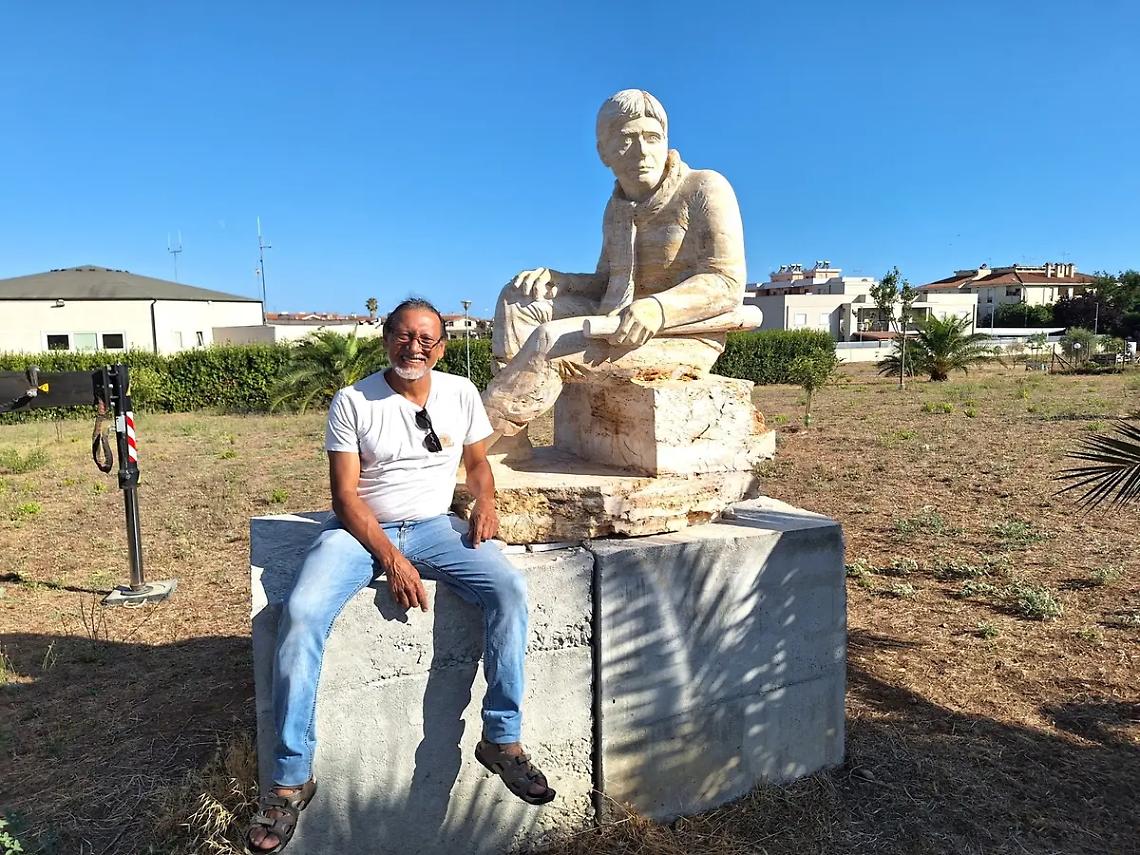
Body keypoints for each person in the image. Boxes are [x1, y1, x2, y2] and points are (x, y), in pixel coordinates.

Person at [246, 298, 554, 855]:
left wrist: (484, 503)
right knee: (302, 612)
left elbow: (479, 463)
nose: (416, 347)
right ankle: (291, 778)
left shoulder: (461, 392)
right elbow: (344, 496)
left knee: (508, 587)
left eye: (428, 339)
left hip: (437, 527)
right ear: (386, 338)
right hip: (361, 532)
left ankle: (502, 740)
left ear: (440, 344)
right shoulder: (354, 401)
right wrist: (392, 559)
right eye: (404, 336)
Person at [482, 88, 747, 452]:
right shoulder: (617, 207)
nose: (642, 151)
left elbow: (726, 281)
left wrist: (658, 308)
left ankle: (479, 442)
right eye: (626, 139)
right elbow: (610, 283)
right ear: (604, 152)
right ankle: (510, 442)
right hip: (613, 323)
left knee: (550, 341)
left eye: (652, 138)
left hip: (679, 334)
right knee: (518, 301)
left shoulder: (704, 188)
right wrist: (560, 281)